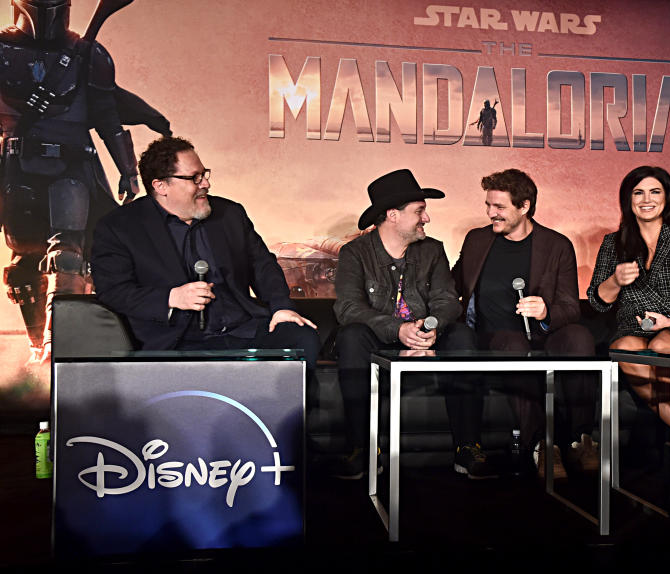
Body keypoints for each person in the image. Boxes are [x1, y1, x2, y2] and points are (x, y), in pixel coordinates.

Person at [0, 0, 171, 362]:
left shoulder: (88, 55)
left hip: (71, 167)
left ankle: (57, 343)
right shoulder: (3, 49)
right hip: (17, 166)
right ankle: (36, 347)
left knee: (67, 255)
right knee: (24, 262)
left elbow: (108, 115)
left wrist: (128, 170)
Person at [90, 135, 319, 383]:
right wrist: (171, 298)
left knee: (301, 337)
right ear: (161, 186)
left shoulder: (230, 214)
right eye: (194, 177)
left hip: (243, 330)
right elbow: (113, 290)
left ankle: (287, 420)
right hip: (180, 340)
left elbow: (261, 264)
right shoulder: (119, 227)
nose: (206, 184)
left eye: (205, 174)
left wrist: (281, 306)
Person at [333, 169, 492, 480]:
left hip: (425, 336)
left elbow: (447, 299)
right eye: (419, 211)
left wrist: (433, 325)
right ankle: (362, 449)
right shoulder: (355, 253)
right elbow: (349, 308)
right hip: (378, 338)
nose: (427, 218)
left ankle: (468, 447)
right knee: (351, 336)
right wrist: (397, 329)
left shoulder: (432, 250)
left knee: (461, 336)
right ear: (393, 215)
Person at [453, 168, 597, 479]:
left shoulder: (557, 245)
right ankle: (540, 445)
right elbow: (452, 287)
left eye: (500, 207)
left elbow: (571, 308)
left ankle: (582, 439)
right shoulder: (477, 240)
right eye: (489, 206)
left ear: (524, 206)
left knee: (580, 338)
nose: (492, 213)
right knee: (515, 344)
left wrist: (547, 312)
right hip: (494, 339)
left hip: (543, 336)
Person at [587, 166, 670, 427]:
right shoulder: (613, 242)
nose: (646, 200)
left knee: (660, 347)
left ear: (667, 197)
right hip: (634, 327)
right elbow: (597, 301)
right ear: (628, 200)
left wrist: (669, 323)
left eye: (654, 192)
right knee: (624, 349)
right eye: (638, 193)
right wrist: (615, 281)